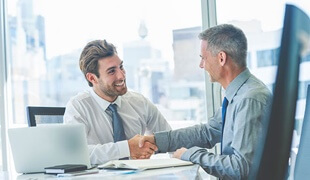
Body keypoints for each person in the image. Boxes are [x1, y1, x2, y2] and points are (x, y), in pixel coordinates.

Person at [139, 24, 272, 179]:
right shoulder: (237, 95)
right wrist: (156, 141)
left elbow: (240, 168)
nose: (201, 65)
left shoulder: (249, 99)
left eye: (203, 58)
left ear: (221, 58)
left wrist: (191, 154)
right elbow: (207, 132)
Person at [64, 39, 171, 165]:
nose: (121, 76)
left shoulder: (139, 102)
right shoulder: (78, 107)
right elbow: (75, 154)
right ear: (92, 78)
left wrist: (149, 146)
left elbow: (170, 139)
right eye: (111, 71)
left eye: (121, 67)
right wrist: (127, 148)